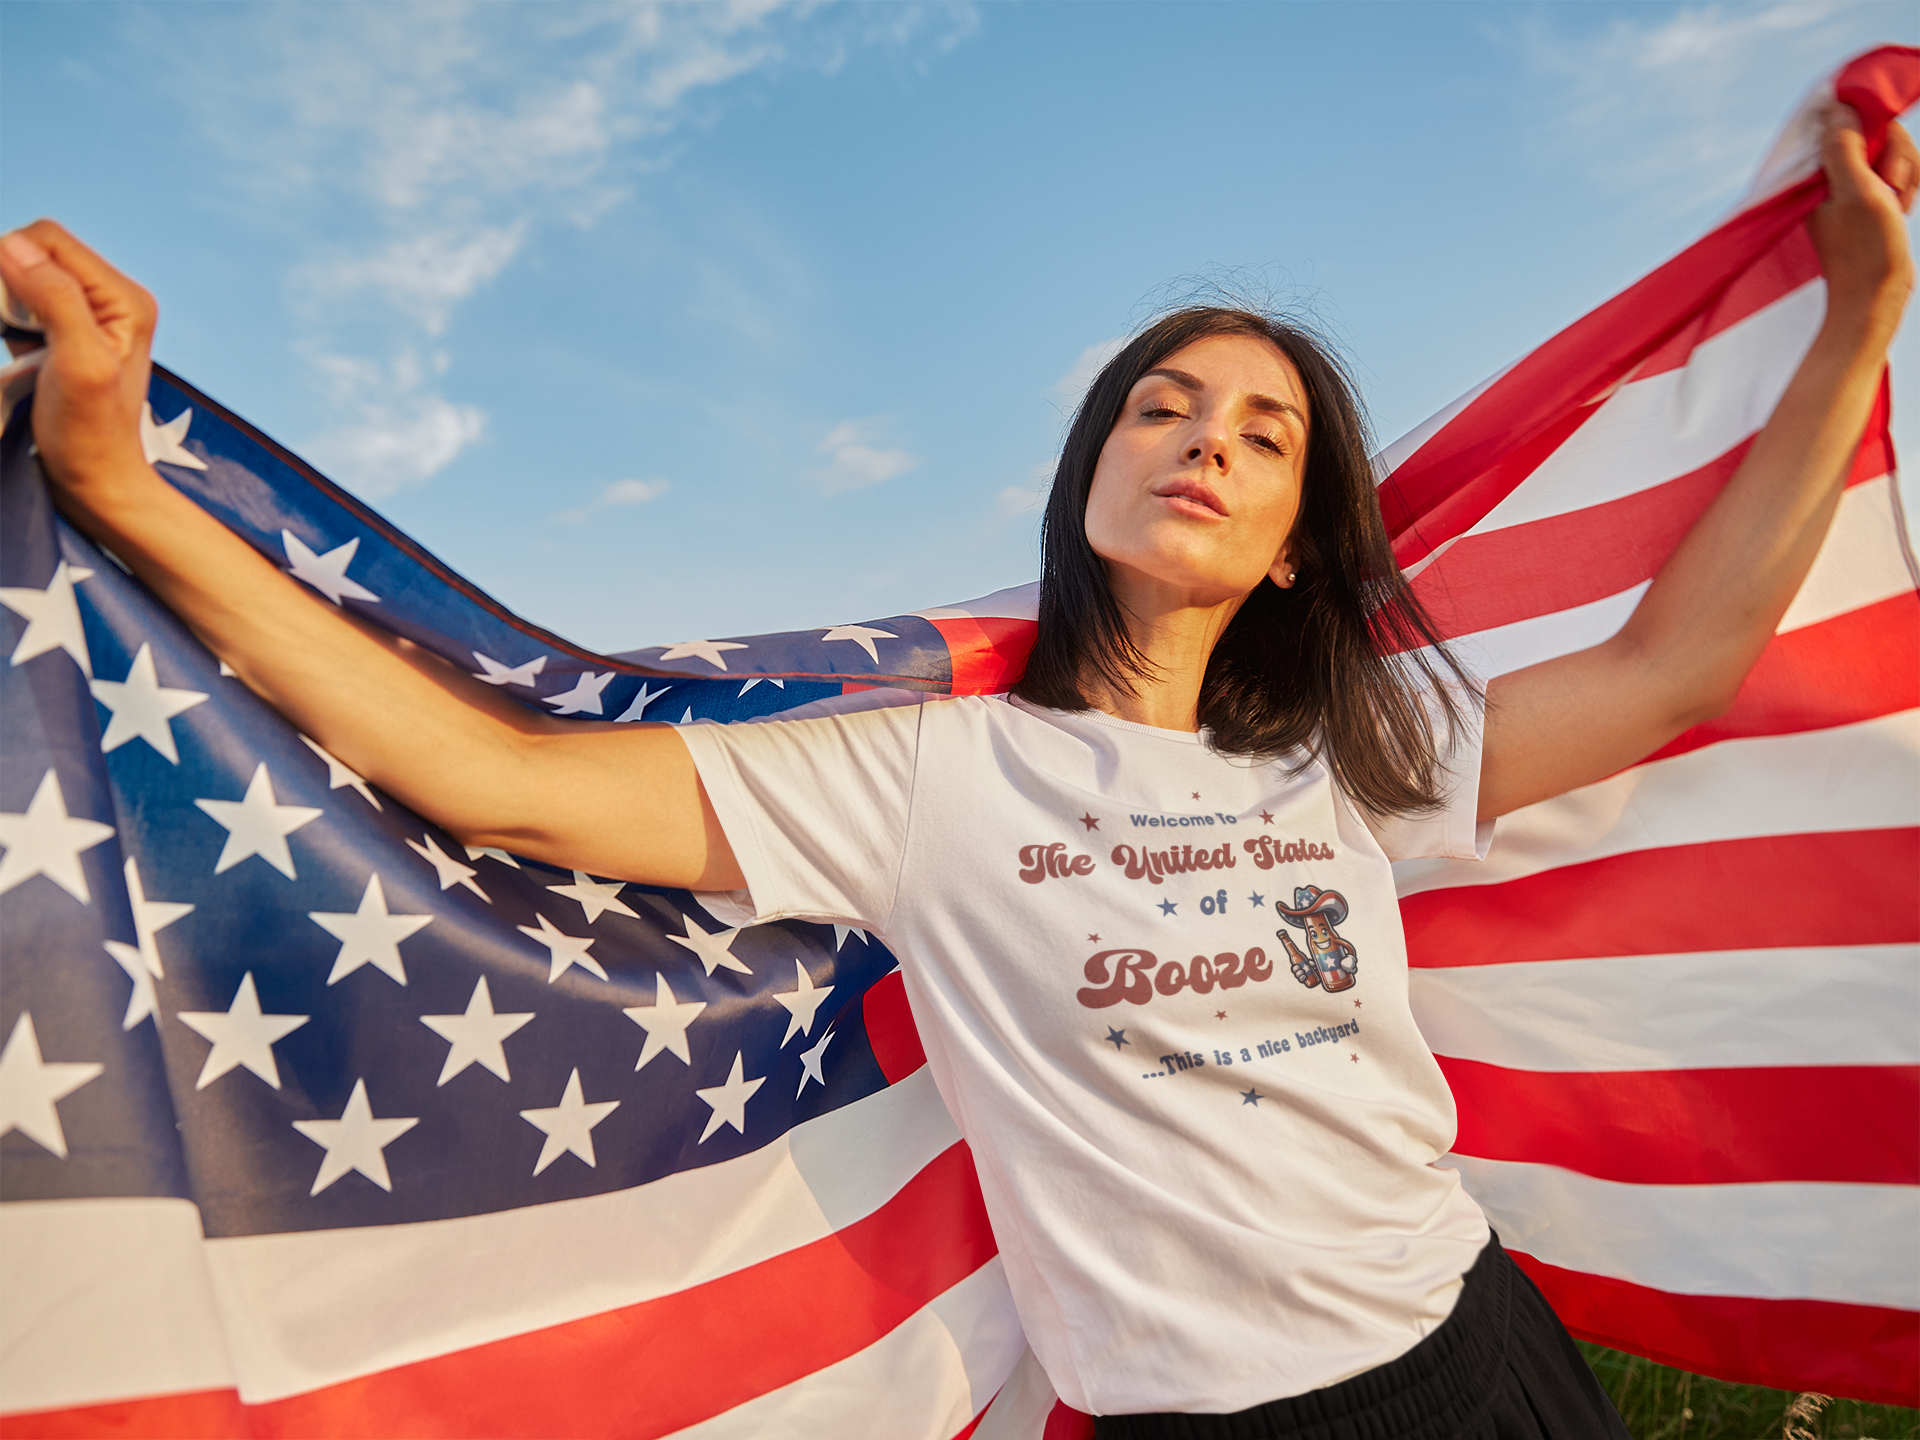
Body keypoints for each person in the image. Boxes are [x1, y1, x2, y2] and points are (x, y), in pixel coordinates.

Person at [1, 107, 1911, 1439]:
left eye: (1263, 434)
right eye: (1161, 406)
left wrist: (1859, 320)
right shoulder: (933, 776)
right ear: (1087, 475)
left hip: (1474, 1341)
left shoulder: (1348, 769)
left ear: (1300, 544)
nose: (1206, 441)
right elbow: (499, 780)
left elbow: (1676, 670)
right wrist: (120, 490)